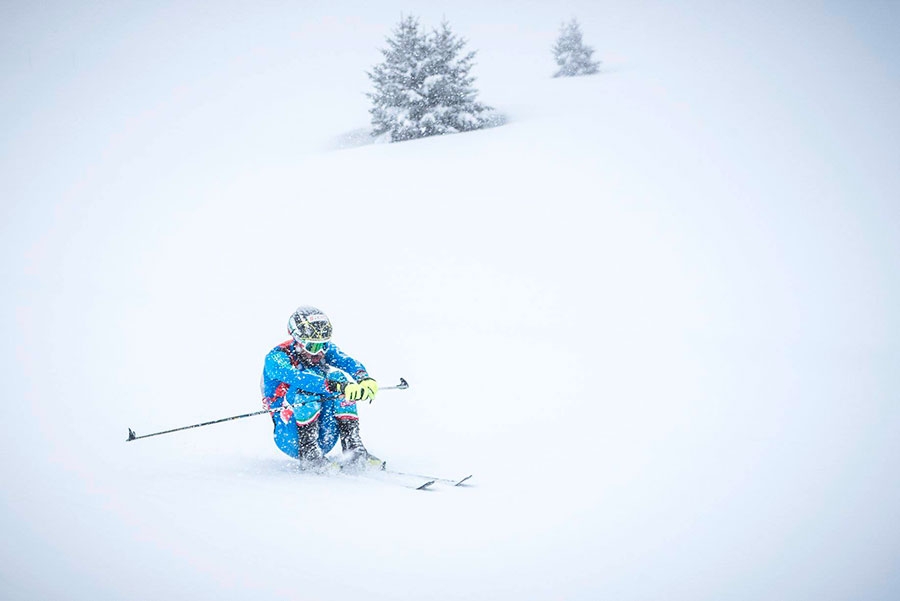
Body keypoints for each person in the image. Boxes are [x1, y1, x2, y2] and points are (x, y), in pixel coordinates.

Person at [260, 306, 379, 470]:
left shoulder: (319, 350)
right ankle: (310, 456)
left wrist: (363, 378)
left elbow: (347, 361)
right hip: (290, 435)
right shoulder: (276, 358)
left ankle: (354, 450)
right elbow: (300, 378)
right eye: (314, 347)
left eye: (324, 344)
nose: (321, 352)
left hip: (325, 434)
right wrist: (337, 386)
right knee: (309, 387)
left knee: (339, 378)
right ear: (298, 341)